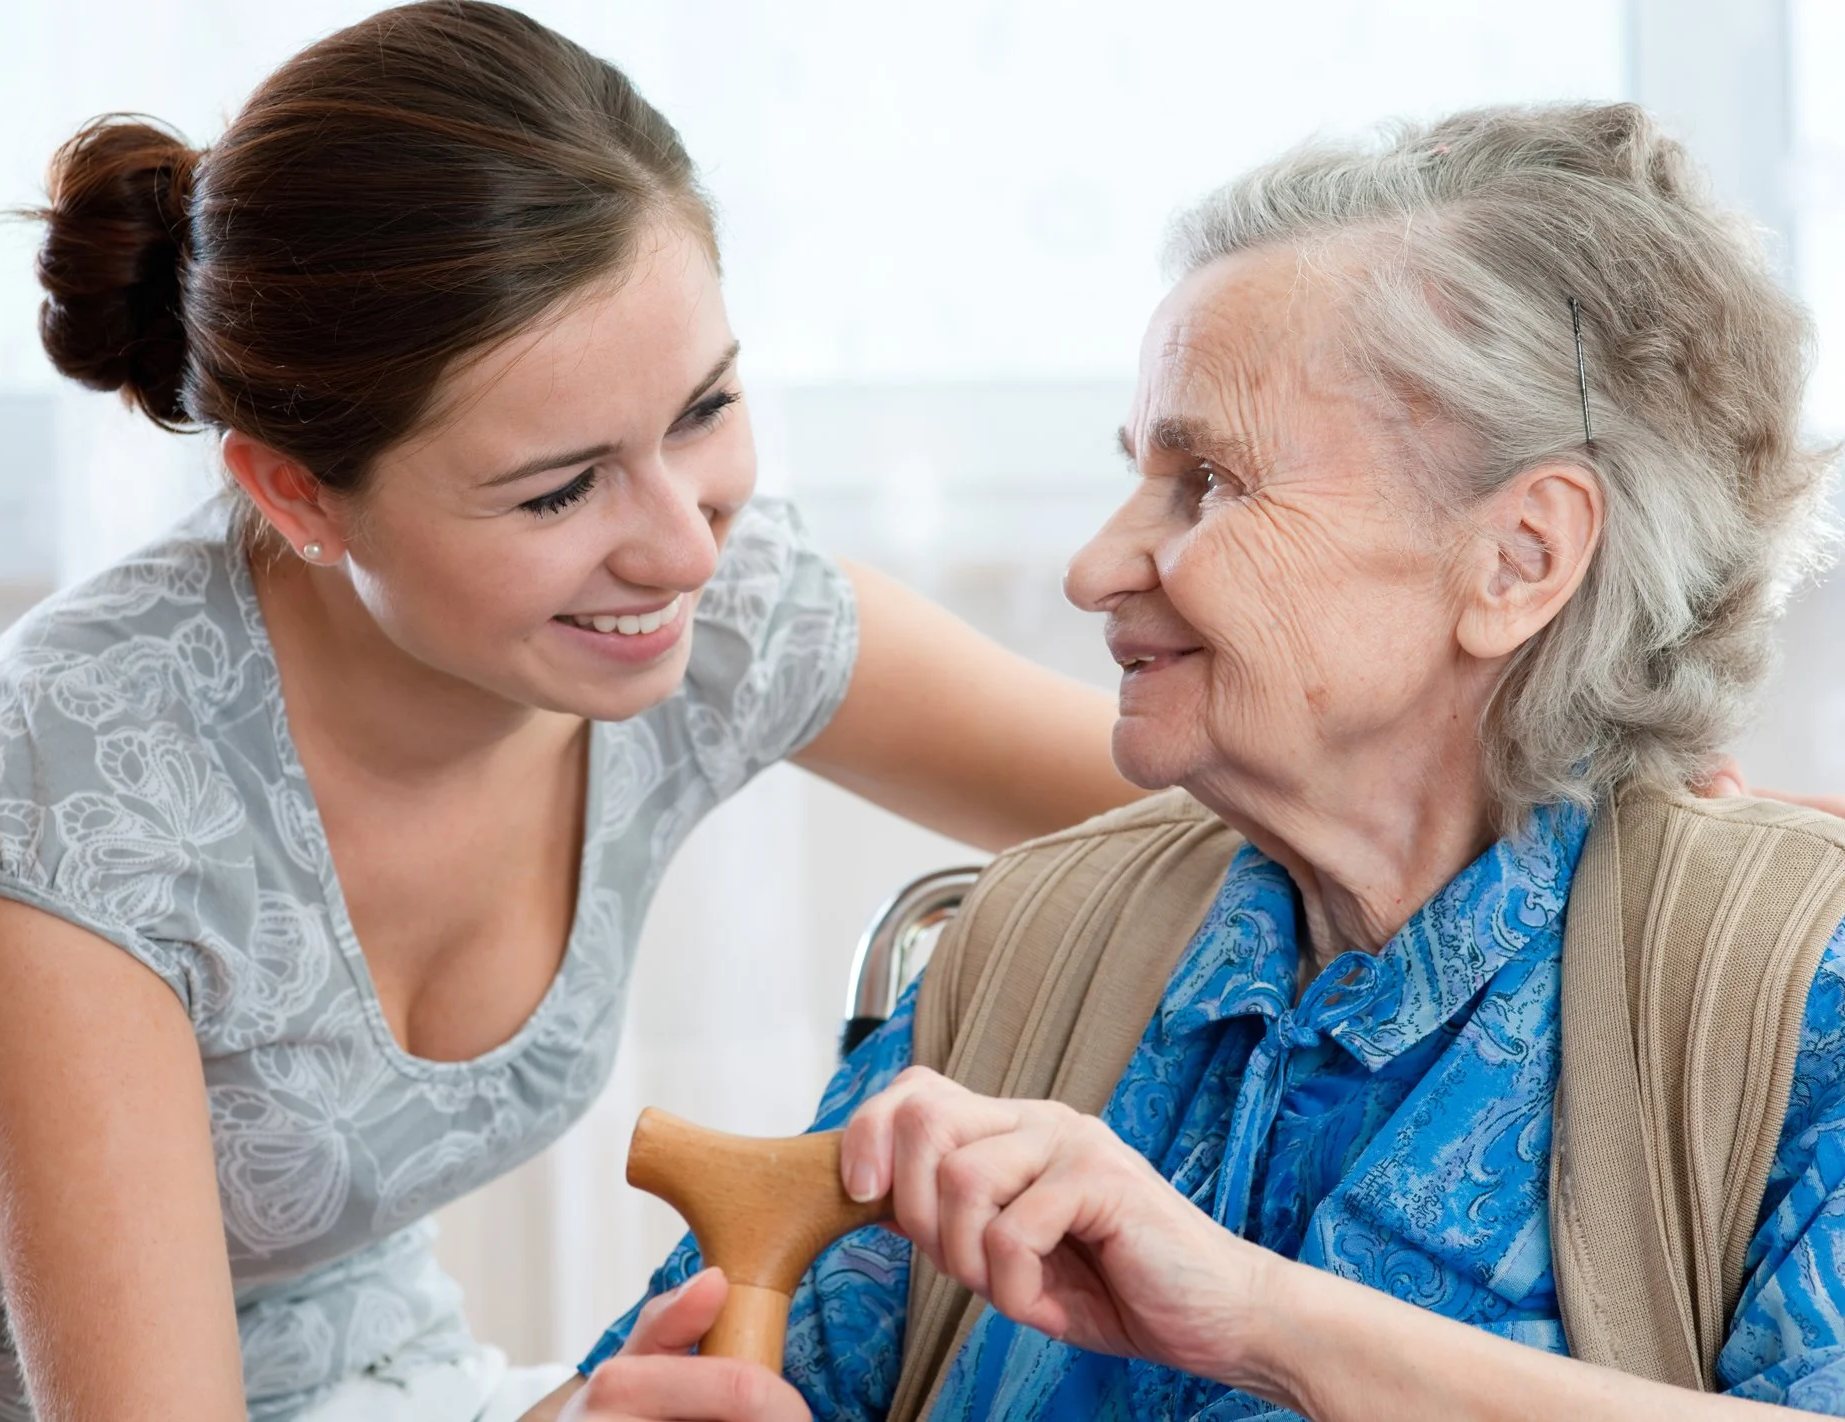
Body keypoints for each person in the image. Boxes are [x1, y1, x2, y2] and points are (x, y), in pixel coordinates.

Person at [0, 5, 1149, 1418]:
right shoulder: (76, 776)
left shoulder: (718, 612)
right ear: (295, 492)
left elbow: (1213, 797)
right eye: (557, 489)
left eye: (704, 407)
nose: (685, 546)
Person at [563, 104, 1845, 1420]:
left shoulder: (1796, 994)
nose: (1094, 567)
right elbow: (688, 1378)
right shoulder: (1036, 941)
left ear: (1518, 558)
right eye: (1140, 473)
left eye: (1210, 481)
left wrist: (1260, 1318)